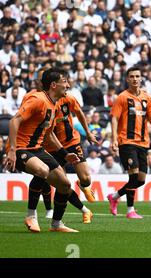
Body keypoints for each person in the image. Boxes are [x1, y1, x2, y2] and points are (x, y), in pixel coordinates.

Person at [5, 68, 80, 232]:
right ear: (53, 85)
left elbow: (49, 135)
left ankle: (56, 224)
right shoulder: (37, 99)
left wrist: (65, 155)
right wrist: (11, 150)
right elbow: (14, 121)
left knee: (65, 184)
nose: (67, 85)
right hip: (20, 148)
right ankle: (31, 216)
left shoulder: (54, 105)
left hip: (38, 149)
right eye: (64, 81)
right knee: (42, 170)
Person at [30, 67, 97, 224]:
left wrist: (88, 132)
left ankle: (83, 186)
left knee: (86, 178)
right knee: (63, 184)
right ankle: (82, 211)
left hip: (71, 142)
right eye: (40, 80)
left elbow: (80, 113)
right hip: (52, 147)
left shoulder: (67, 98)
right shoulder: (36, 100)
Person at [108, 66, 151, 219]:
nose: (135, 79)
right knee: (133, 177)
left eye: (137, 76)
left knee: (141, 180)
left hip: (143, 143)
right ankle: (130, 210)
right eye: (132, 76)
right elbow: (114, 118)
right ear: (127, 79)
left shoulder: (147, 98)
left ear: (141, 78)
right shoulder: (122, 97)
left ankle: (115, 196)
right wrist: (114, 139)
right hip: (126, 141)